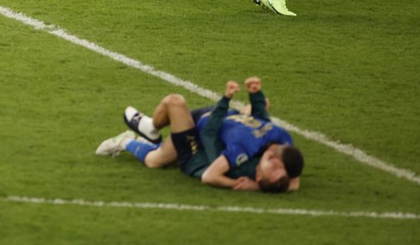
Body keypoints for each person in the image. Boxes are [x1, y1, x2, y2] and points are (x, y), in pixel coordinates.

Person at [95, 77, 304, 193]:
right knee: (260, 107)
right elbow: (294, 182)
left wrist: (250, 187)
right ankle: (151, 128)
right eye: (280, 164)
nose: (276, 160)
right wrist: (255, 95)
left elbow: (209, 174)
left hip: (202, 134)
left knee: (157, 156)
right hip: (223, 119)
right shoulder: (280, 149)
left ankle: (126, 142)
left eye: (275, 167)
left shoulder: (242, 152)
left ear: (259, 176)